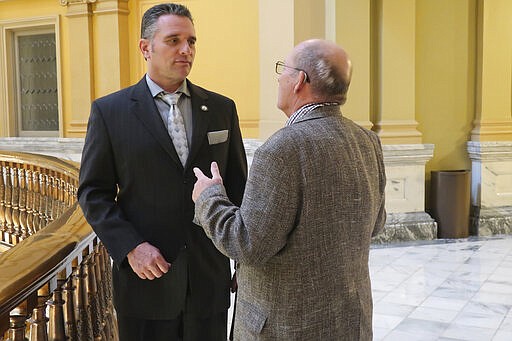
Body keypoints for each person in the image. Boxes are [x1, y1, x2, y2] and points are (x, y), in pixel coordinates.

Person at [192, 39, 386, 340]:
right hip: (349, 320)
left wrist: (209, 196)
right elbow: (376, 224)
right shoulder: (367, 141)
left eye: (283, 69)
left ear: (299, 81)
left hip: (287, 326)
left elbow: (247, 245)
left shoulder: (283, 149)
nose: (279, 78)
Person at [77, 3, 247, 341]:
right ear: (146, 47)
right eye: (174, 40)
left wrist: (244, 261)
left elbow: (240, 189)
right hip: (146, 284)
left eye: (192, 41)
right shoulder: (110, 112)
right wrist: (130, 246)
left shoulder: (221, 109)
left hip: (209, 280)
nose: (186, 50)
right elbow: (93, 193)